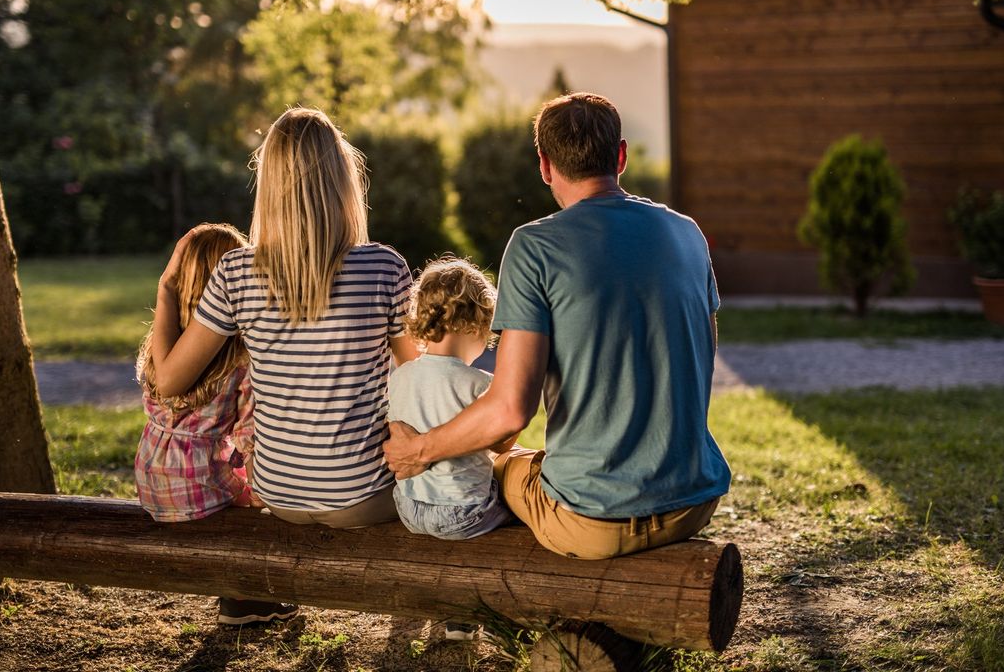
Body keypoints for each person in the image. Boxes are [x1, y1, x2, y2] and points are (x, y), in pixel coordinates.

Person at [385, 92, 730, 561]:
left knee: (501, 463)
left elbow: (509, 411)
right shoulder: (688, 233)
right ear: (621, 156)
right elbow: (702, 362)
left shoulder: (534, 247)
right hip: (693, 501)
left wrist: (420, 450)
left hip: (592, 521)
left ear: (545, 166)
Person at [149, 107, 417, 609]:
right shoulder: (383, 266)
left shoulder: (234, 272)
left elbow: (168, 381)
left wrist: (167, 291)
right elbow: (424, 377)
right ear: (342, 181)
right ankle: (454, 611)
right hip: (364, 495)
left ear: (269, 184)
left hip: (279, 492)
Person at [135, 222, 294, 625]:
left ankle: (241, 597)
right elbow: (250, 439)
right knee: (264, 500)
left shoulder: (162, 349)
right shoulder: (242, 361)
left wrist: (165, 285)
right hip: (197, 490)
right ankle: (245, 597)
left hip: (152, 483)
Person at [388, 257, 514, 541]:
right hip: (462, 512)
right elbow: (502, 443)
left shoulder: (400, 376)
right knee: (518, 499)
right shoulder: (480, 383)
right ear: (473, 326)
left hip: (408, 507)